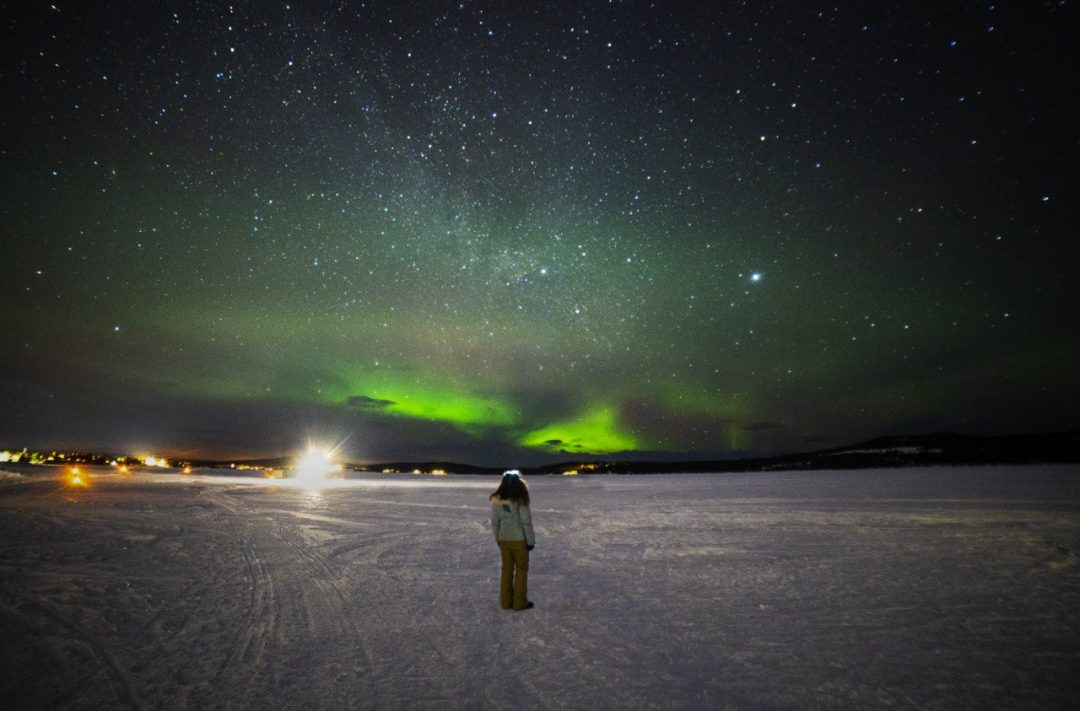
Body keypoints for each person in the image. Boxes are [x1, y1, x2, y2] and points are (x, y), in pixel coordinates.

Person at [490, 470, 535, 611]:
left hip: (504, 539)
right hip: (519, 540)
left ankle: (506, 602)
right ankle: (519, 603)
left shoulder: (497, 500)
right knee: (521, 570)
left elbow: (494, 522)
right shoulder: (520, 499)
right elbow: (526, 522)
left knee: (506, 570)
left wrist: (498, 538)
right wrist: (530, 541)